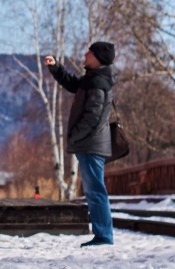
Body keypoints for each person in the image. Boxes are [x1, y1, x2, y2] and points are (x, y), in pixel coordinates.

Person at [44, 42, 119, 246]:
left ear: (98, 57)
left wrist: (74, 135)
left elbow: (93, 117)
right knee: (93, 190)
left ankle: (104, 236)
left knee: (95, 191)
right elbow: (72, 84)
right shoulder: (93, 79)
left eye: (89, 52)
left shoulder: (98, 82)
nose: (85, 55)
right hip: (89, 143)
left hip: (91, 144)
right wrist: (56, 67)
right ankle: (102, 235)